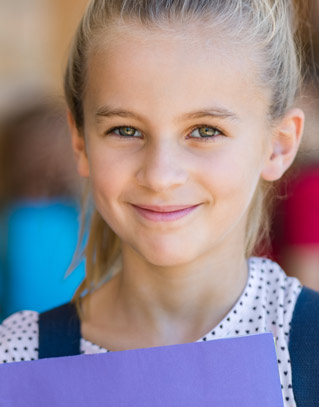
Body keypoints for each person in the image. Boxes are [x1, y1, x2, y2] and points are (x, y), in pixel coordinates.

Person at [0, 1, 318, 405]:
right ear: (80, 142)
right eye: (125, 129)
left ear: (278, 144)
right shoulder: (17, 361)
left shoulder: (309, 350)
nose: (160, 175)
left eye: (205, 130)